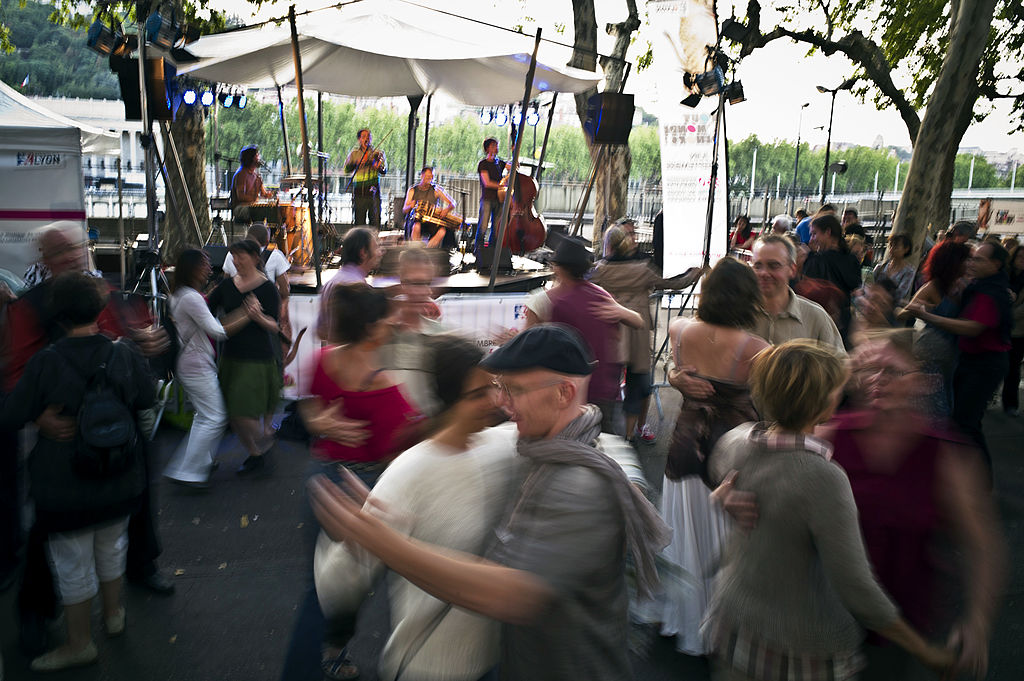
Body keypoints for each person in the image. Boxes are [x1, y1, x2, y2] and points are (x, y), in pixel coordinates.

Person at [308, 324, 671, 681]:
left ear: (562, 393)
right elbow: (604, 440)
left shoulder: (567, 474)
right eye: (497, 388)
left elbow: (513, 594)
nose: (502, 402)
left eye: (513, 389)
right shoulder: (527, 446)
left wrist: (387, 546)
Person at [705, 340, 954, 681]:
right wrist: (925, 651)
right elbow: (855, 585)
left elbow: (719, 468)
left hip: (734, 621)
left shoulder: (737, 439)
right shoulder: (823, 478)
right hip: (797, 643)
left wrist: (720, 495)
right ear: (823, 403)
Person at [314, 335, 515, 681]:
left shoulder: (502, 447)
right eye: (478, 394)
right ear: (450, 400)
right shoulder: (410, 473)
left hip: (497, 660)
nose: (493, 401)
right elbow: (339, 587)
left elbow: (579, 436)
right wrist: (349, 545)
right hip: (430, 668)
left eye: (493, 388)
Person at [0, 272, 156, 671]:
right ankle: (114, 615)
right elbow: (145, 396)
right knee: (111, 546)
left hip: (65, 485)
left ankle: (79, 642)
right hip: (121, 478)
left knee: (72, 562)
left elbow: (11, 414)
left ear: (57, 314)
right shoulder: (123, 353)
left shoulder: (46, 362)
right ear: (100, 308)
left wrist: (41, 415)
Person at [292, 283, 424, 681]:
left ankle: (318, 652)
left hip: (321, 480)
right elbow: (397, 455)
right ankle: (331, 650)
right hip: (362, 490)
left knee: (322, 579)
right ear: (370, 328)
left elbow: (311, 409)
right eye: (385, 318)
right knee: (351, 585)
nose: (391, 323)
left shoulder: (322, 359)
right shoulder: (385, 390)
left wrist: (319, 423)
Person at [659, 258, 768, 656]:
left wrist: (677, 374)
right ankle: (720, 626)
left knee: (684, 531)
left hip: (685, 445)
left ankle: (683, 619)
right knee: (725, 541)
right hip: (731, 454)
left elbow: (674, 332)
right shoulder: (757, 349)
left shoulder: (682, 329)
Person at [589, 220, 704, 441]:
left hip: (610, 333)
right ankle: (631, 434)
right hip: (637, 334)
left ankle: (603, 432)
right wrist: (695, 273)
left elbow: (584, 282)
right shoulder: (642, 270)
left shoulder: (600, 270)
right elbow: (673, 283)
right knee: (639, 384)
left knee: (607, 383)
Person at [907, 241, 1012, 477]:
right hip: (961, 362)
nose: (971, 263)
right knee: (954, 420)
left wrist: (929, 315)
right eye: (970, 258)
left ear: (996, 264)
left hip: (981, 365)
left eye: (977, 259)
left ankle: (977, 480)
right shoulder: (978, 286)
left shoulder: (989, 292)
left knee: (964, 425)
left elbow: (972, 328)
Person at [163, 250, 256, 487]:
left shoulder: (182, 295)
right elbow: (217, 331)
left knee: (204, 415)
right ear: (192, 268)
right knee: (215, 416)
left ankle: (199, 462)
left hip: (192, 364)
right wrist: (247, 313)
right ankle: (187, 471)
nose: (209, 268)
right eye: (204, 264)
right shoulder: (191, 298)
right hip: (196, 365)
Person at [545, 237, 644, 433]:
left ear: (560, 268)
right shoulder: (600, 294)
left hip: (576, 391)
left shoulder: (560, 303)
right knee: (604, 444)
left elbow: (554, 349)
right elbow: (637, 322)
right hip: (606, 386)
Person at [207, 239, 282, 475]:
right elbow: (207, 309)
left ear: (255, 258)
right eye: (233, 256)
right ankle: (255, 454)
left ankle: (266, 439)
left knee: (242, 411)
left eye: (241, 256)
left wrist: (256, 317)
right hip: (230, 356)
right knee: (233, 412)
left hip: (256, 358)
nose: (236, 261)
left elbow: (274, 326)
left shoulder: (267, 288)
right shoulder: (226, 286)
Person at [897, 239, 972, 417]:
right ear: (953, 262)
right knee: (929, 402)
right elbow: (902, 315)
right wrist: (918, 309)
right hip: (929, 352)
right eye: (966, 260)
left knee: (943, 396)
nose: (969, 263)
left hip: (951, 353)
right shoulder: (932, 287)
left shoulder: (964, 285)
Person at [748, 234, 845, 352]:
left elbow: (840, 366)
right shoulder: (738, 314)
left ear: (792, 270)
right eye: (758, 266)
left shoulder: (816, 317)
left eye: (773, 266)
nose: (764, 273)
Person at [804, 213, 863, 346]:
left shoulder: (818, 260)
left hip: (820, 320)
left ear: (828, 232)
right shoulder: (852, 259)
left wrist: (811, 255)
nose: (812, 239)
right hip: (845, 320)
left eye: (814, 234)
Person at [224, 223, 292, 336]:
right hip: (264, 317)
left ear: (248, 237)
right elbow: (285, 290)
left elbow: (225, 283)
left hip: (235, 317)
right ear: (267, 241)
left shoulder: (231, 256)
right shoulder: (275, 256)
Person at [318, 228, 383, 342]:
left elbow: (321, 331)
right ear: (363, 253)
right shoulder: (358, 289)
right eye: (376, 247)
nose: (380, 253)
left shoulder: (330, 283)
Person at [403, 166, 456, 248]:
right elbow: (404, 210)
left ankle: (428, 250)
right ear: (421, 176)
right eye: (427, 177)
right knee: (416, 226)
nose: (429, 179)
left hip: (432, 222)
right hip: (417, 221)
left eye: (431, 177)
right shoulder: (413, 190)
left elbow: (453, 203)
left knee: (442, 231)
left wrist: (446, 210)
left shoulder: (436, 190)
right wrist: (410, 205)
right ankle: (416, 250)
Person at [344, 128, 387, 227]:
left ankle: (374, 240)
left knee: (375, 220)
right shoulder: (354, 153)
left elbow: (384, 170)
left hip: (373, 190)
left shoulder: (377, 153)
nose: (366, 139)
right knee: (359, 221)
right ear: (359, 140)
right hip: (359, 191)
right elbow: (346, 169)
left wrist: (378, 166)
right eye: (363, 137)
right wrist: (356, 163)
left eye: (369, 136)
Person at [1002, 244, 1024, 416]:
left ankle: (1010, 403)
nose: (1022, 261)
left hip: (1018, 331)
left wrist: (1005, 315)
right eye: (1020, 257)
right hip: (999, 328)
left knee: (1013, 368)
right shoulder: (1004, 276)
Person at [475, 137, 506, 253]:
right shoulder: (483, 164)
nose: (496, 148)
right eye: (493, 146)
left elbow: (513, 166)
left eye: (496, 146)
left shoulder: (499, 163)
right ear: (487, 148)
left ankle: (493, 252)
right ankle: (478, 251)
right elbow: (487, 183)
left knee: (496, 228)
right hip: (487, 199)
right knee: (483, 226)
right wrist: (502, 186)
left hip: (499, 199)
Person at [230, 145, 275, 223]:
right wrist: (255, 195)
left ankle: (273, 233)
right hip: (240, 208)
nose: (259, 159)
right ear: (250, 158)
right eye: (257, 156)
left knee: (272, 209)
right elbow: (241, 197)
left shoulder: (255, 175)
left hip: (252, 206)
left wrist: (269, 194)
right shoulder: (241, 174)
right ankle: (260, 232)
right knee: (262, 211)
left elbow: (263, 194)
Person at [872, 233, 916, 307]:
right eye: (890, 245)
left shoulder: (909, 271)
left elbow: (900, 294)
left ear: (906, 249)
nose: (892, 249)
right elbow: (871, 283)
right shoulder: (880, 267)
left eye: (896, 246)